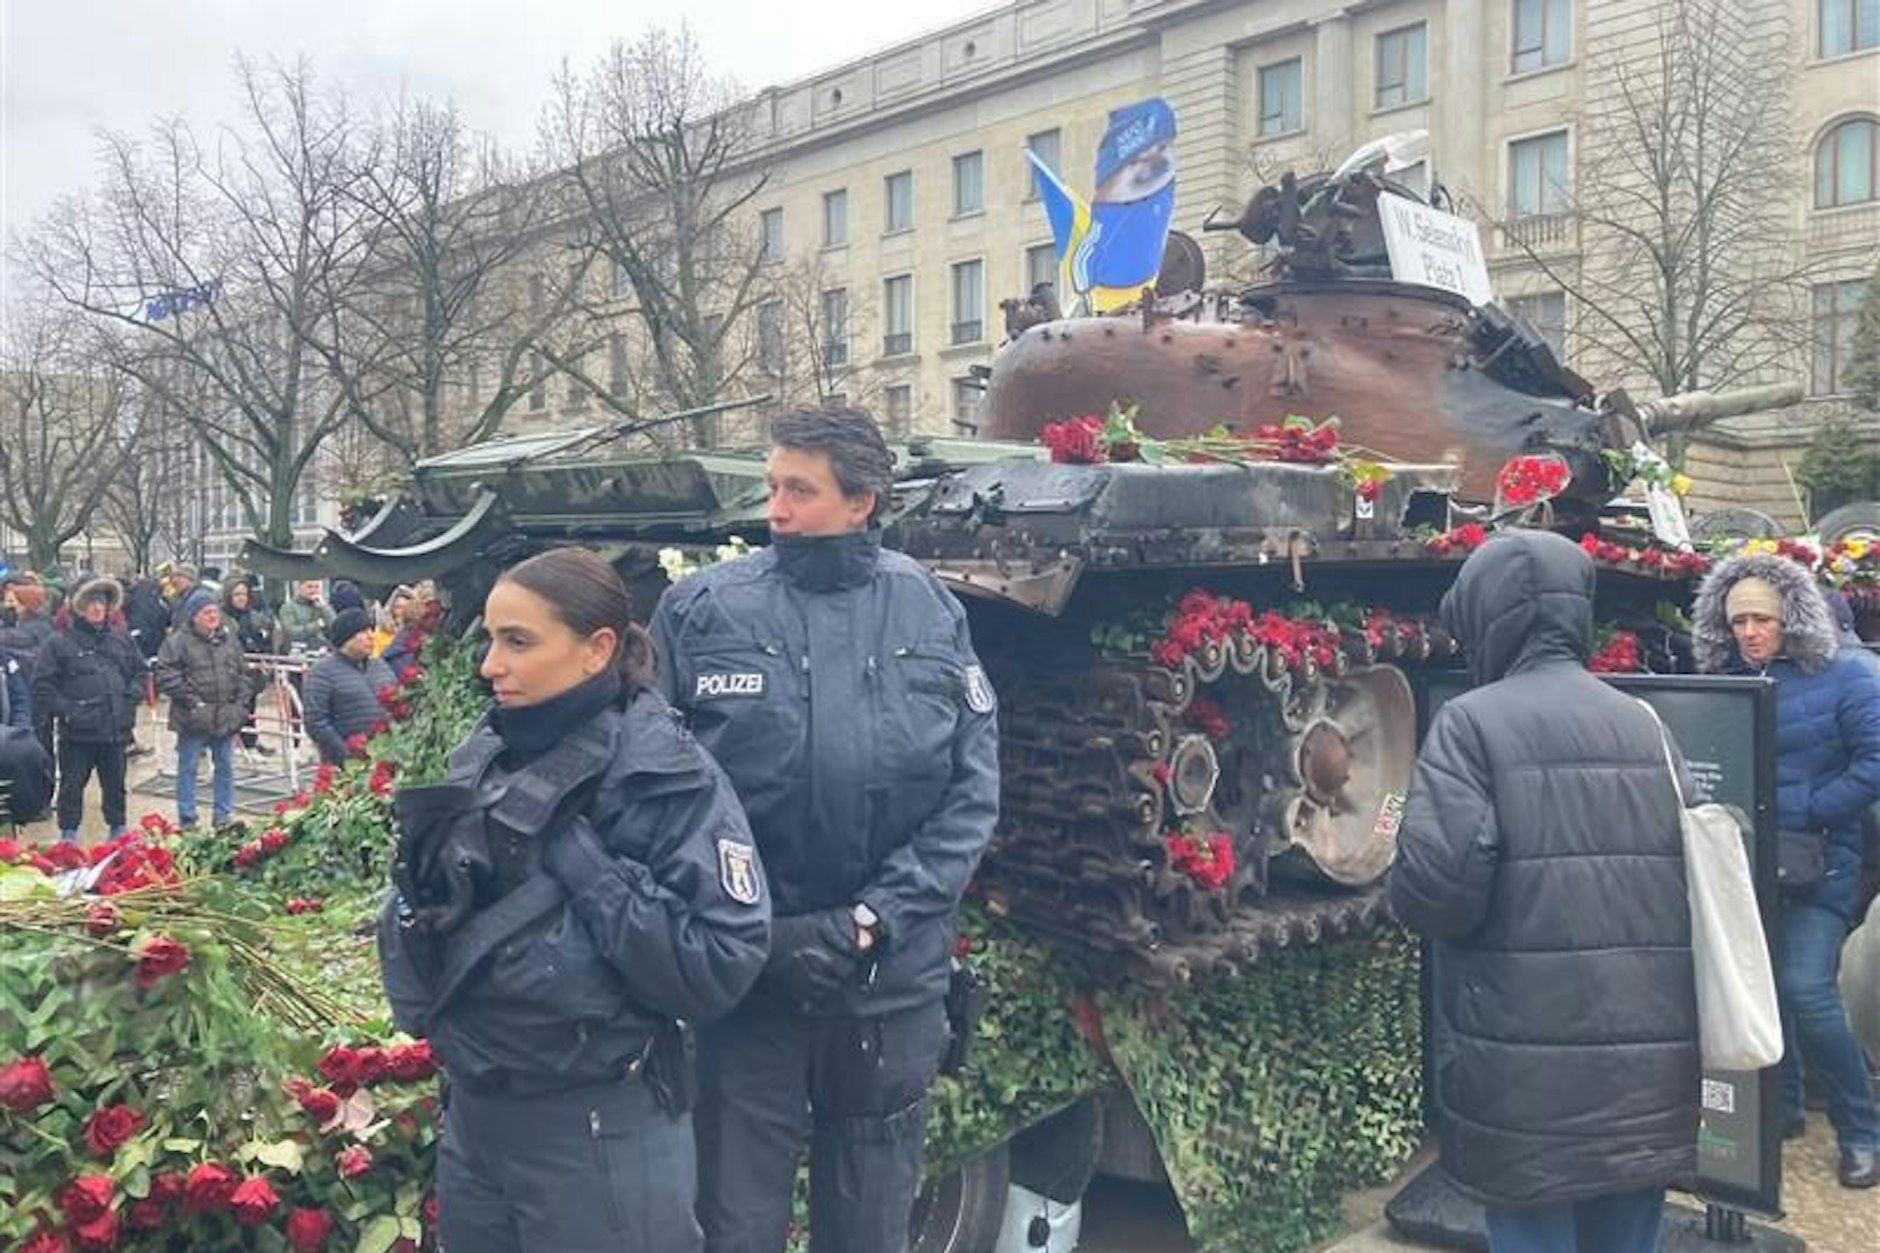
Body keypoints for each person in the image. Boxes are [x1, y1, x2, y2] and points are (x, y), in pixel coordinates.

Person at [649, 407, 1001, 1253]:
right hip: (746, 982)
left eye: (798, 490)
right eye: (772, 486)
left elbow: (972, 794)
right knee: (733, 1223)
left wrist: (873, 918)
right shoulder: (700, 611)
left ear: (862, 501)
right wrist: (740, 925)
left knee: (872, 1221)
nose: (774, 508)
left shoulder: (930, 612)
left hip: (888, 981)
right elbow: (652, 790)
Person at [377, 546, 770, 1253]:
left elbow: (721, 960)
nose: (489, 665)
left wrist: (590, 868)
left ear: (597, 651)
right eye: (490, 639)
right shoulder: (490, 750)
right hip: (479, 1120)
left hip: (598, 1131)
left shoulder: (666, 775)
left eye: (518, 642)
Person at [1388, 530, 1699, 1253]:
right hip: (1646, 1064)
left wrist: (1394, 826)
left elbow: (1435, 890)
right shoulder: (1646, 723)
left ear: (1490, 615)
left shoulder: (1470, 723)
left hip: (1525, 1070)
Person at [1692, 553, 1880, 1189]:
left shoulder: (1847, 678)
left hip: (1825, 863)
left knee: (1805, 988)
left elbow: (1876, 762)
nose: (1749, 632)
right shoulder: (1723, 679)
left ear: (1791, 620)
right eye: (1738, 620)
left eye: (1762, 620)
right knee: (1763, 985)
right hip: (1750, 865)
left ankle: (1863, 1131)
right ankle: (1787, 1108)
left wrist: (1797, 811)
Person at [30, 577, 145, 842]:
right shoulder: (58, 643)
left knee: (115, 785)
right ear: (79, 607)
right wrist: (68, 711)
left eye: (102, 602)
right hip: (77, 733)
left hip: (115, 729)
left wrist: (129, 700)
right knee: (72, 786)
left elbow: (140, 672)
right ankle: (68, 835)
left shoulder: (121, 640)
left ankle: (117, 830)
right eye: (91, 602)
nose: (97, 608)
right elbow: (42, 686)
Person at [154, 589, 253, 829]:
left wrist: (240, 705)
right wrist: (193, 702)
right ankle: (188, 818)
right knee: (188, 768)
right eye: (206, 612)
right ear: (194, 616)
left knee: (226, 767)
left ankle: (223, 816)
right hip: (193, 717)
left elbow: (243, 674)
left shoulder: (229, 640)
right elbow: (165, 674)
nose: (212, 616)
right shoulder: (177, 642)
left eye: (215, 611)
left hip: (225, 715)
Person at [304, 608, 396, 765]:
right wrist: (347, 755)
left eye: (371, 630)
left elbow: (397, 701)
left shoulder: (380, 666)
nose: (371, 636)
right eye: (363, 632)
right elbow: (316, 722)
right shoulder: (322, 672)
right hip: (346, 764)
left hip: (385, 757)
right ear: (347, 638)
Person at [224, 576, 279, 754]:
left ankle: (250, 741)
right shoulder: (223, 618)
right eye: (237, 594)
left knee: (250, 708)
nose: (241, 598)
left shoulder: (253, 617)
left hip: (252, 672)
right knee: (234, 709)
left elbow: (268, 635)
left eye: (244, 594)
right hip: (231, 672)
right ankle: (235, 743)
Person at [278, 579, 334, 654]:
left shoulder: (322, 606)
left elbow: (335, 626)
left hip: (322, 646)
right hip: (298, 647)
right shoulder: (288, 607)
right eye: (309, 587)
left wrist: (324, 608)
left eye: (316, 587)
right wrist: (317, 625)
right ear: (300, 587)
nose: (313, 591)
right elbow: (291, 632)